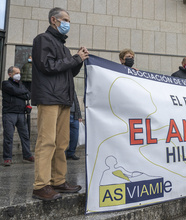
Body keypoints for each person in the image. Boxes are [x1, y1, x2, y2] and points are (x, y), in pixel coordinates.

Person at [31, 7, 89, 201]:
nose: (68, 23)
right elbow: (47, 66)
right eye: (65, 19)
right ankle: (41, 185)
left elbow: (68, 72)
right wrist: (74, 59)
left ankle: (58, 181)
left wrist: (78, 60)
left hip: (64, 100)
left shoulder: (63, 47)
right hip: (49, 98)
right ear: (53, 20)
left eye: (69, 20)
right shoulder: (42, 40)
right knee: (47, 141)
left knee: (61, 143)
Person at [2, 66, 35, 166]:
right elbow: (15, 91)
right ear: (10, 74)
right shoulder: (5, 83)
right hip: (9, 113)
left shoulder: (21, 84)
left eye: (19, 73)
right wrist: (23, 93)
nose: (18, 75)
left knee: (25, 136)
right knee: (8, 137)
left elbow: (28, 95)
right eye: (16, 73)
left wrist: (22, 93)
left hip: (21, 113)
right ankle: (7, 158)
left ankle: (27, 155)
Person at [66, 91, 82, 160]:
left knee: (75, 136)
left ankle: (71, 153)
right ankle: (62, 153)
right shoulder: (61, 87)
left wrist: (79, 115)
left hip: (74, 115)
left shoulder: (73, 90)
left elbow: (76, 103)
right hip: (65, 115)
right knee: (63, 136)